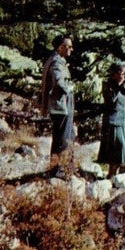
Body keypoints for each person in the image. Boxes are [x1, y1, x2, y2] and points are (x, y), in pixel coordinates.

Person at [40, 35, 75, 176]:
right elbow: (60, 82)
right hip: (62, 106)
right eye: (69, 46)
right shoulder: (57, 62)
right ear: (61, 47)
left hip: (60, 105)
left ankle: (58, 169)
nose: (72, 49)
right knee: (63, 138)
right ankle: (59, 171)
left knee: (63, 137)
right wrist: (70, 88)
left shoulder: (55, 60)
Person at [97, 61, 125, 179]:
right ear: (114, 74)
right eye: (121, 73)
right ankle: (111, 174)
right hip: (112, 121)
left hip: (122, 121)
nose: (123, 76)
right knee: (116, 149)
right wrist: (119, 86)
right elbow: (111, 100)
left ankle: (114, 174)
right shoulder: (107, 85)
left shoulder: (123, 86)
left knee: (121, 152)